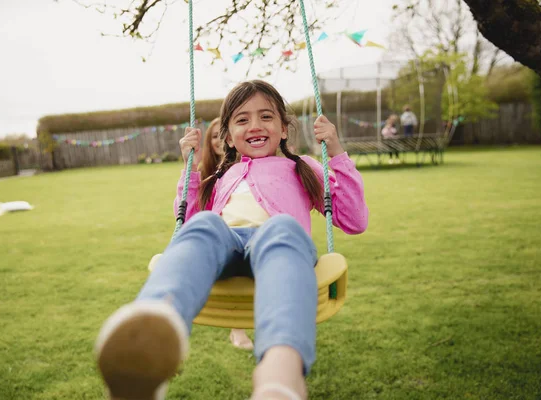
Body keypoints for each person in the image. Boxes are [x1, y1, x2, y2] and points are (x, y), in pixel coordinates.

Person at [94, 80, 369, 400]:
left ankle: (280, 373)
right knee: (205, 224)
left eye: (266, 117)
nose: (255, 125)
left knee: (281, 226)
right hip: (226, 245)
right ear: (227, 136)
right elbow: (189, 224)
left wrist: (335, 153)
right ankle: (151, 334)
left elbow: (354, 219)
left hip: (280, 247)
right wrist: (191, 168)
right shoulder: (221, 177)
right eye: (242, 119)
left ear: (284, 129)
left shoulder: (302, 167)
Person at [200, 117, 255, 351]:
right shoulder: (207, 173)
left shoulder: (248, 165)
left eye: (222, 135)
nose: (219, 141)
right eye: (213, 136)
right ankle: (237, 329)